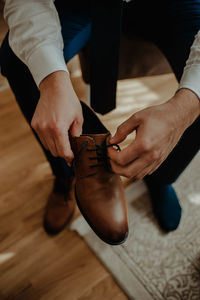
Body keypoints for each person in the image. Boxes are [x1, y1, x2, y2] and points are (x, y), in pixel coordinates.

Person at [0, 0, 199, 233]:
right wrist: (51, 80)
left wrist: (185, 108)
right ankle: (66, 175)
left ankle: (159, 177)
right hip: (81, 3)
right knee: (18, 63)